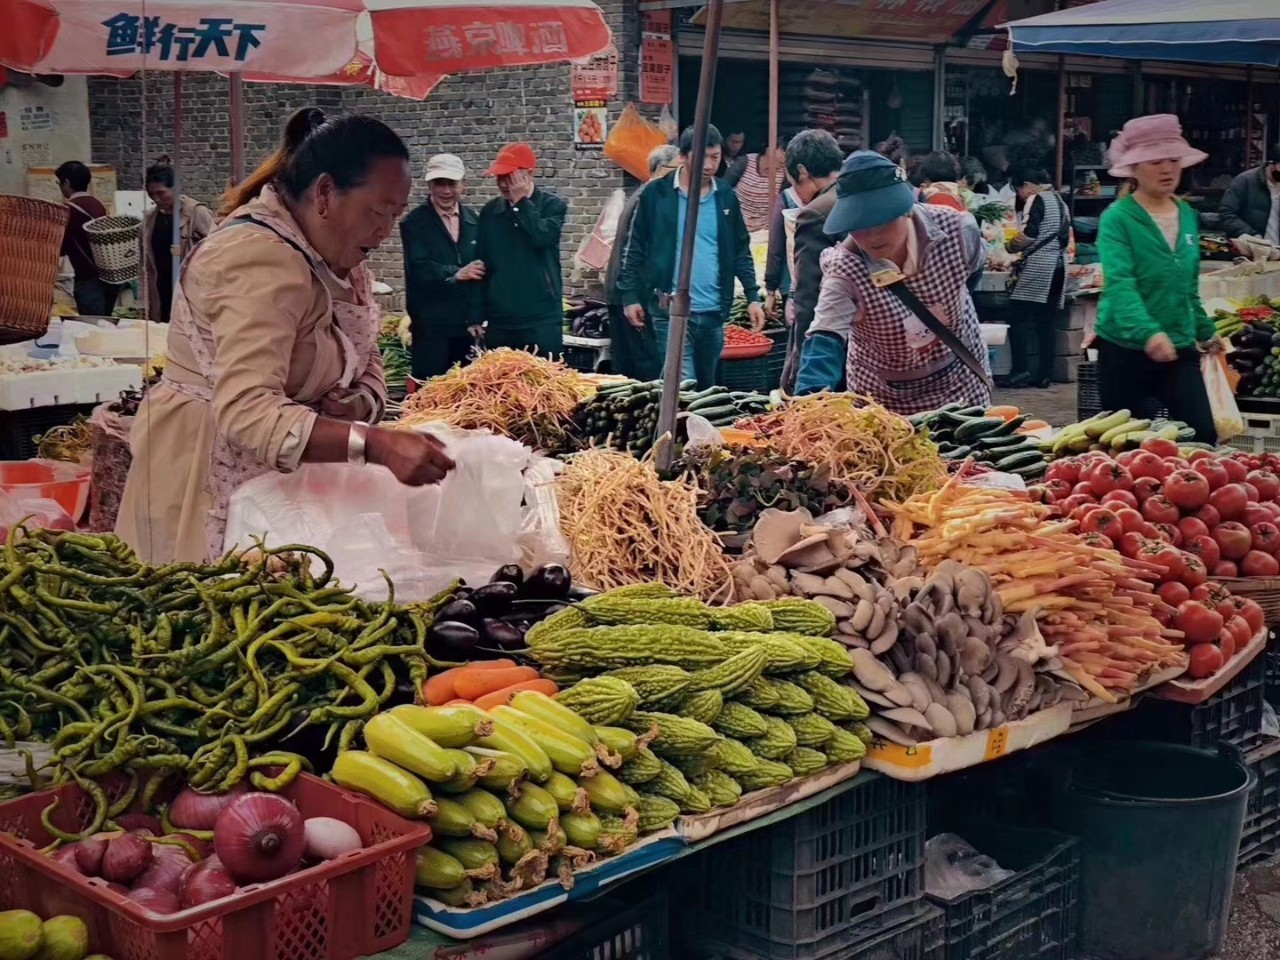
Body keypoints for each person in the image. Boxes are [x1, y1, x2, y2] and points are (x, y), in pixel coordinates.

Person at [116, 108, 455, 564]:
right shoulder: (256, 256)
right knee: (207, 617)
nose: (386, 230)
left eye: (395, 215)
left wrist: (361, 403)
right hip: (206, 471)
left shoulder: (339, 253)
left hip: (285, 477)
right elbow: (247, 409)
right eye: (378, 212)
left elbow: (364, 348)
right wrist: (373, 443)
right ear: (325, 193)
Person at [795, 150, 991, 415]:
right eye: (860, 225)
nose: (873, 235)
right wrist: (808, 405)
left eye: (882, 220)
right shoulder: (844, 267)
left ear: (906, 209)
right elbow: (824, 336)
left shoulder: (958, 231)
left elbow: (972, 274)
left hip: (960, 385)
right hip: (883, 401)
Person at [1094, 114, 1219, 444]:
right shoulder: (1117, 219)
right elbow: (1120, 284)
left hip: (1178, 348)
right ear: (1133, 168)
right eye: (1154, 161)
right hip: (1124, 350)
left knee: (1203, 437)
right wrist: (1148, 333)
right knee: (1123, 446)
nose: (1167, 170)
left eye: (1174, 160)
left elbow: (1188, 284)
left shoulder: (1188, 215)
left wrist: (1206, 330)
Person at [616, 124, 765, 389]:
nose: (709, 165)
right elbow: (635, 247)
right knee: (682, 385)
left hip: (713, 311)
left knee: (708, 388)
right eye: (701, 157)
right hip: (668, 309)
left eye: (715, 157)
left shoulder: (726, 197)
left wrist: (753, 296)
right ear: (683, 157)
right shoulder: (656, 195)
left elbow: (741, 249)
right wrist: (629, 295)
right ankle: (677, 428)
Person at [475, 142, 567, 358]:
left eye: (510, 177)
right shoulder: (491, 212)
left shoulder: (553, 206)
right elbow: (480, 265)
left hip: (540, 318)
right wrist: (475, 315)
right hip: (501, 319)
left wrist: (521, 203)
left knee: (544, 383)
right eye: (500, 178)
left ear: (529, 174)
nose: (504, 185)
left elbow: (541, 237)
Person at [400, 153, 483, 379]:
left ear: (463, 185)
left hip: (464, 329)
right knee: (430, 393)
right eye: (439, 184)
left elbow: (480, 273)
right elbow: (419, 268)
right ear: (430, 185)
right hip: (431, 327)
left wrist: (476, 317)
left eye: (452, 184)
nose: (446, 191)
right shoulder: (415, 224)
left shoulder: (474, 221)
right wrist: (456, 273)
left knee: (464, 394)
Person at [776, 129, 845, 392]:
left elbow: (809, 296)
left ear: (803, 172)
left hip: (833, 340)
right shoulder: (859, 195)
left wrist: (800, 358)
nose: (797, 193)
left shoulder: (816, 213)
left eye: (794, 183)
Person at [605, 145, 680, 381]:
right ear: (661, 170)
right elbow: (635, 252)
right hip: (632, 295)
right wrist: (632, 296)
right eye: (677, 170)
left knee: (633, 368)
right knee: (645, 369)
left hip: (627, 292)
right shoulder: (648, 200)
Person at [1004, 167, 1070, 388]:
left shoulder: (1037, 199)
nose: (1020, 195)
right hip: (1060, 266)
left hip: (1039, 267)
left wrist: (1011, 247)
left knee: (1017, 317)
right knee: (1045, 323)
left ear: (1027, 185)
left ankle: (1020, 370)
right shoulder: (1061, 202)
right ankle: (1044, 375)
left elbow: (1030, 233)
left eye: (1019, 189)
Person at [142, 162, 215, 324]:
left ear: (175, 188)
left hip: (189, 286)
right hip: (161, 287)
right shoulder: (150, 219)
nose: (156, 199)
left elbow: (217, 248)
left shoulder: (196, 213)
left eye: (161, 193)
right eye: (151, 194)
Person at [55, 161, 117, 317]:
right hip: (109, 278)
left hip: (89, 280)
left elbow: (60, 247)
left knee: (92, 328)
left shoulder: (69, 210)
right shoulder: (98, 205)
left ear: (67, 183)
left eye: (59, 183)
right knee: (104, 323)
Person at [1218, 143, 1280, 244]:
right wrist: (1252, 236)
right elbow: (1226, 214)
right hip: (1252, 250)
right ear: (1271, 164)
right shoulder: (1245, 181)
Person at [734, 140, 787, 233]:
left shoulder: (784, 173)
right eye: (783, 151)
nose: (785, 156)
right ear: (769, 149)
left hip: (764, 231)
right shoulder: (745, 162)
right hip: (738, 227)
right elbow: (724, 187)